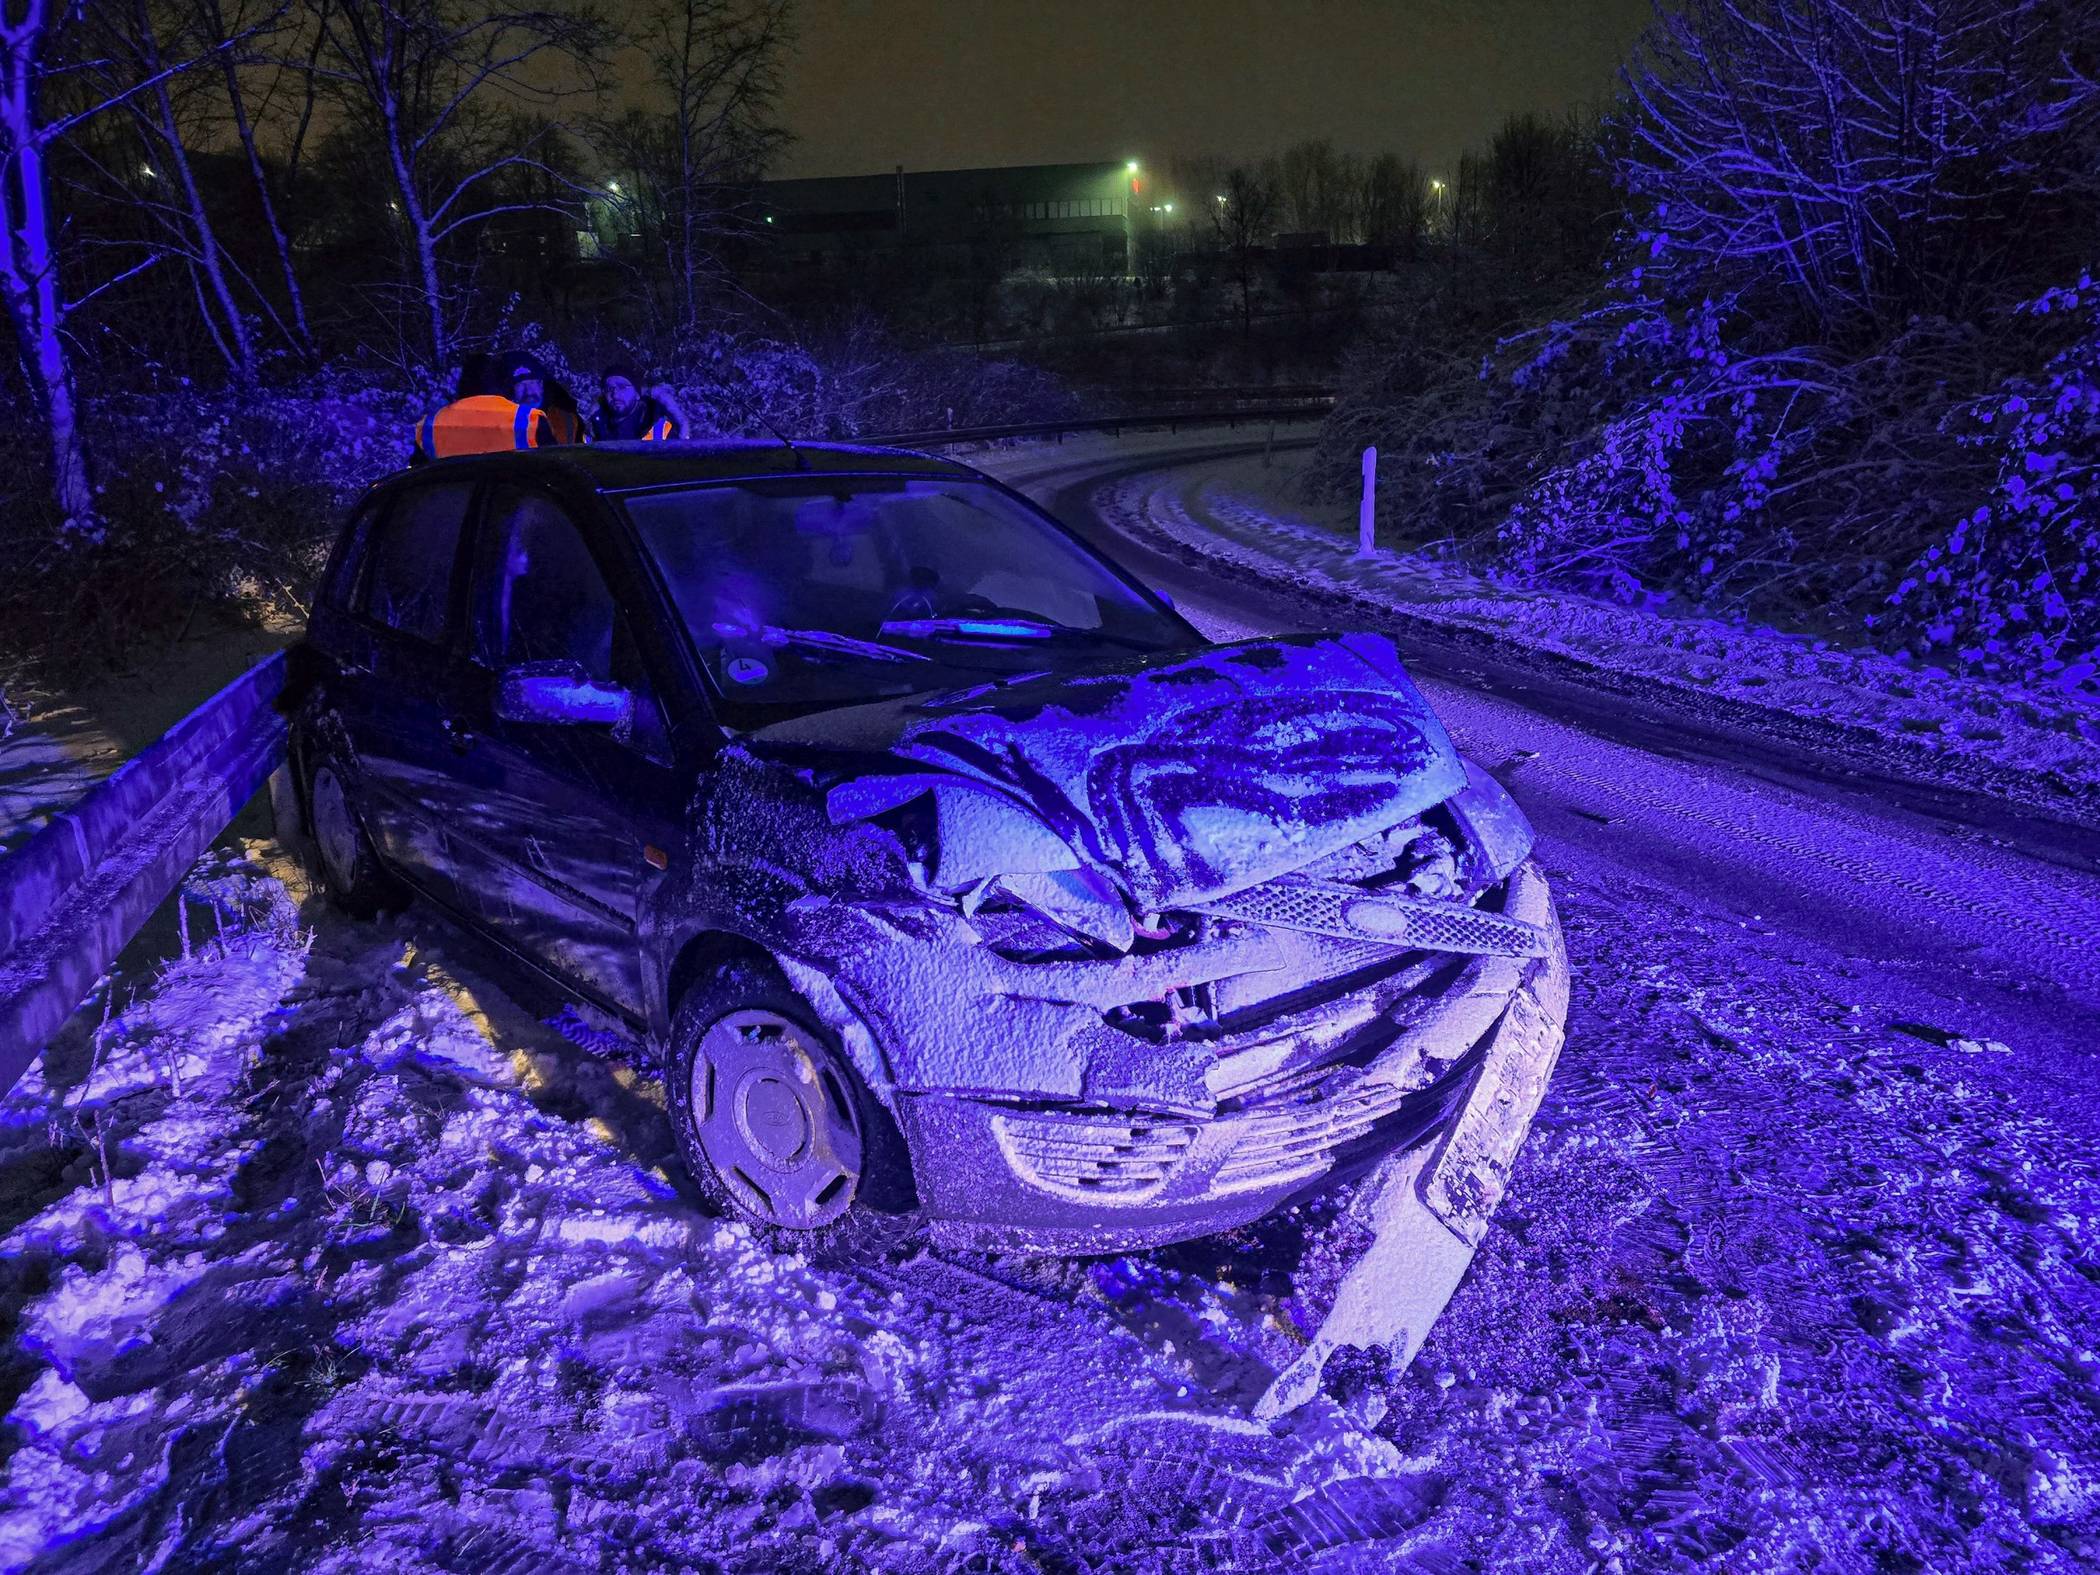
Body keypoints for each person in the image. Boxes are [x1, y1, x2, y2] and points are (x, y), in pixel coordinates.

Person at [411, 353, 552, 462]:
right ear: (504, 383)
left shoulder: (429, 426)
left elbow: (416, 477)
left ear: (462, 381)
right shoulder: (530, 420)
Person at [596, 361, 688, 442]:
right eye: (609, 389)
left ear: (637, 394)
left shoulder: (659, 426)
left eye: (622, 387)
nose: (615, 394)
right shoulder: (595, 426)